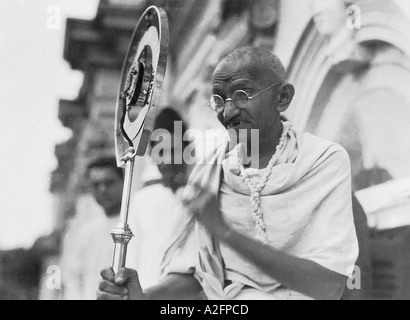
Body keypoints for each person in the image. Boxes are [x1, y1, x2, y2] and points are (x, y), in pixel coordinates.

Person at [97, 46, 358, 300]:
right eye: (219, 100)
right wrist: (145, 297)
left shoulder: (322, 161)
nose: (229, 111)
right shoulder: (210, 171)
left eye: (243, 94)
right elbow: (200, 276)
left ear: (282, 97)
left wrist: (224, 231)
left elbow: (328, 285)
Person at [126, 107, 190, 289]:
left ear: (188, 149)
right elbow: (131, 258)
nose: (169, 159)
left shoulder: (204, 194)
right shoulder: (142, 201)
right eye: (161, 152)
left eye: (175, 150)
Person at [61, 156, 124, 300]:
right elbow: (73, 279)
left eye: (109, 183)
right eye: (96, 184)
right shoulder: (86, 232)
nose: (102, 189)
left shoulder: (134, 223)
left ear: (124, 182)